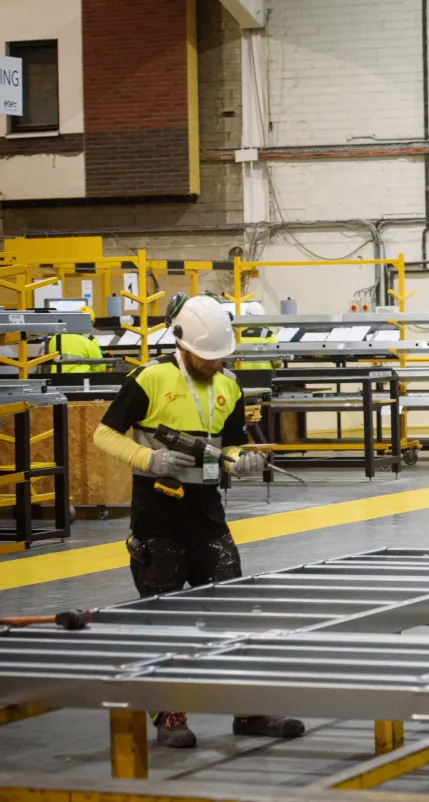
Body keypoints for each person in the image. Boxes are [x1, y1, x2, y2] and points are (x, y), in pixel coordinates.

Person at [92, 293, 304, 748]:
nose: (213, 364)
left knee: (233, 615)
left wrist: (239, 461)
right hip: (157, 522)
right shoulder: (149, 379)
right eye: (206, 357)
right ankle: (170, 715)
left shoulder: (229, 386)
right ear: (183, 345)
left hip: (208, 519)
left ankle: (248, 710)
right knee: (166, 619)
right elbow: (103, 433)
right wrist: (147, 458)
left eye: (219, 357)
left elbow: (226, 448)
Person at [47, 307, 108, 373]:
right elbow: (100, 367)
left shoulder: (55, 339)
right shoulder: (87, 341)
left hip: (57, 380)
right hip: (81, 380)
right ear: (90, 323)